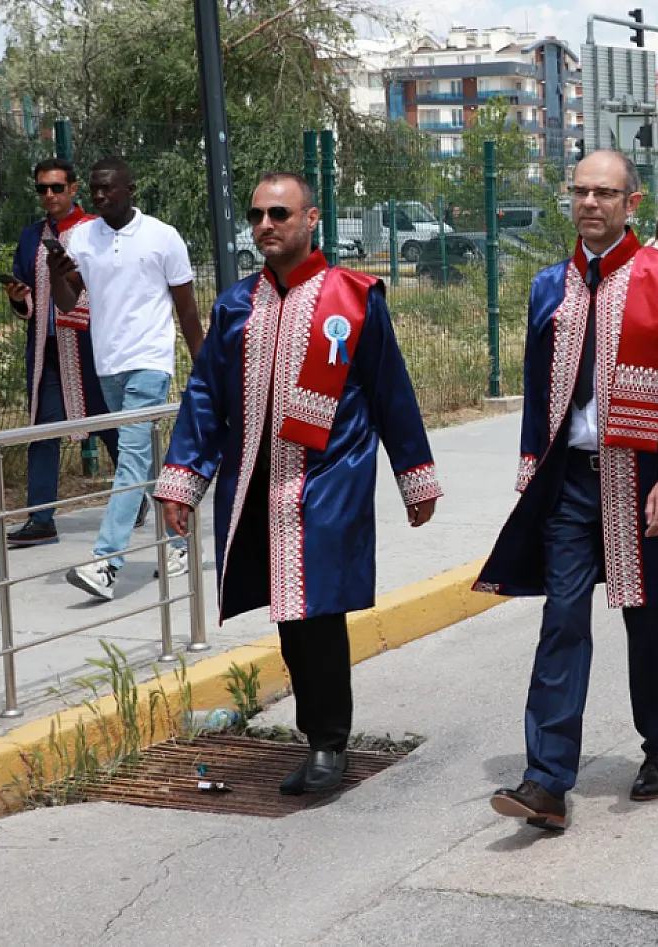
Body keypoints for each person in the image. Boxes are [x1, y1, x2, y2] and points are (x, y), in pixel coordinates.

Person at [156, 172, 441, 793]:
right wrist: (184, 480)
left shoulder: (356, 298)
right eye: (257, 215)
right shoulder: (235, 305)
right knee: (289, 614)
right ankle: (320, 735)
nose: (265, 226)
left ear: (311, 219)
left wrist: (415, 478)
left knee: (318, 611)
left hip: (330, 480)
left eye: (279, 214)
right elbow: (206, 397)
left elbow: (391, 392)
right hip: (259, 484)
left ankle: (327, 742)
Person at [476, 151, 658, 831]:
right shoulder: (548, 286)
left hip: (640, 479)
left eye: (604, 193)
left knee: (648, 627)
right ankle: (547, 779)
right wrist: (531, 473)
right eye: (580, 190)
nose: (589, 202)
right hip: (570, 487)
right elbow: (536, 392)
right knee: (562, 621)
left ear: (632, 202)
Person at [49, 157, 205, 599]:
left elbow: (187, 310)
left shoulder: (162, 237)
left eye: (107, 189)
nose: (98, 196)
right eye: (94, 189)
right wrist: (56, 272)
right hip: (108, 365)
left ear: (130, 189)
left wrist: (206, 371)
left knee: (132, 461)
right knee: (147, 460)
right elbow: (66, 301)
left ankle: (106, 562)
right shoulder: (82, 236)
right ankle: (180, 542)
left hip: (150, 362)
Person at [4, 157, 118, 548]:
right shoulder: (31, 237)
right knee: (43, 430)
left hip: (91, 347)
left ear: (73, 189)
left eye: (56, 187)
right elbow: (26, 294)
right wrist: (19, 298)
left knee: (110, 425)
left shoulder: (96, 232)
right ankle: (41, 519)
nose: (49, 195)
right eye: (42, 189)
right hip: (47, 350)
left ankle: (132, 497)